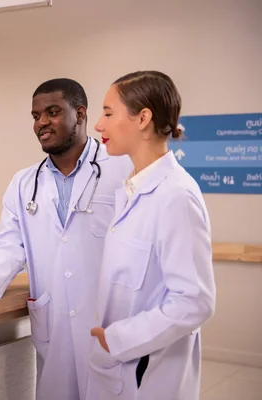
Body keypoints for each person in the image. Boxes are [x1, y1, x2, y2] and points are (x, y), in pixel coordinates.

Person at [0, 78, 133, 400]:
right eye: (35, 116)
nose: (41, 123)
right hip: (55, 329)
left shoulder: (122, 169)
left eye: (52, 112)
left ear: (80, 113)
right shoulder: (24, 183)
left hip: (110, 324)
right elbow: (10, 244)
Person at [86, 71, 216, 400]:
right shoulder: (132, 189)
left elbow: (195, 301)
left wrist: (118, 338)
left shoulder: (175, 196)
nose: (99, 125)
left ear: (143, 118)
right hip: (117, 367)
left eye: (108, 112)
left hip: (147, 374)